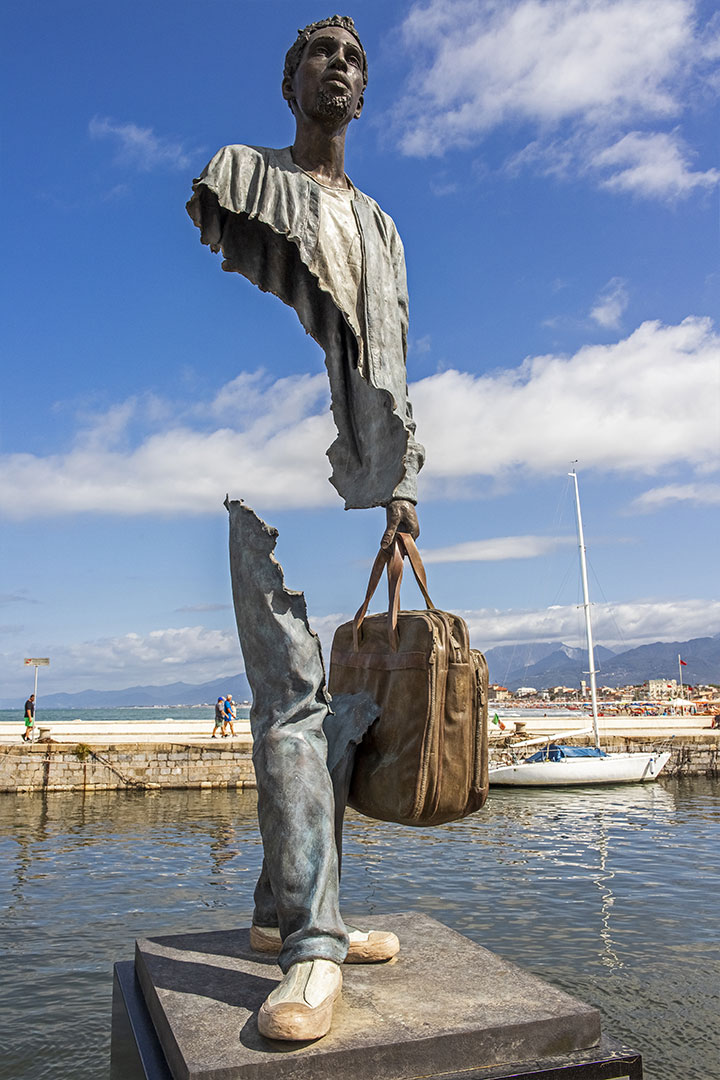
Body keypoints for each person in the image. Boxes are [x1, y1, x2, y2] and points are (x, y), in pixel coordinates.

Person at [188, 16, 422, 1041]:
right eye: (321, 51)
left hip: (353, 471)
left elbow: (396, 353)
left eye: (354, 56)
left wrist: (402, 487)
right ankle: (312, 949)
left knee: (339, 715)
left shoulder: (380, 225)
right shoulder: (241, 170)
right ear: (290, 82)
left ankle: (279, 907)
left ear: (365, 90)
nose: (340, 64)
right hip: (261, 463)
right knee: (287, 696)